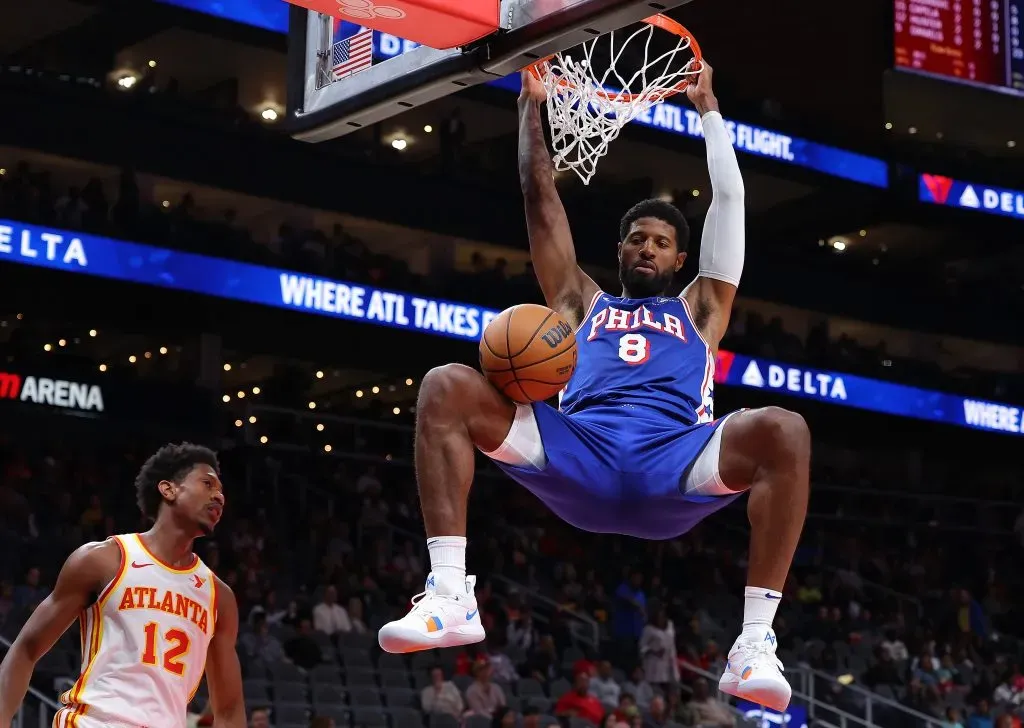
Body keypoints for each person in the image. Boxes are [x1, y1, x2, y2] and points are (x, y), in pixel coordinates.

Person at [378, 63, 808, 712]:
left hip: (676, 461)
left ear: (679, 259)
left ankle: (753, 642)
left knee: (786, 430)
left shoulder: (703, 309)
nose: (647, 248)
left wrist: (710, 113)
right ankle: (449, 593)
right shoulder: (583, 302)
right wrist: (531, 106)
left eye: (662, 242)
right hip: (577, 450)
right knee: (446, 386)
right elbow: (539, 196)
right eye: (637, 237)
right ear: (620, 246)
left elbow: (731, 203)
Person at [0, 443, 245, 728]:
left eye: (221, 490)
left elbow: (228, 708)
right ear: (169, 490)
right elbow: (26, 649)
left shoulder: (219, 597)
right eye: (207, 483)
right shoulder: (105, 559)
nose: (219, 496)